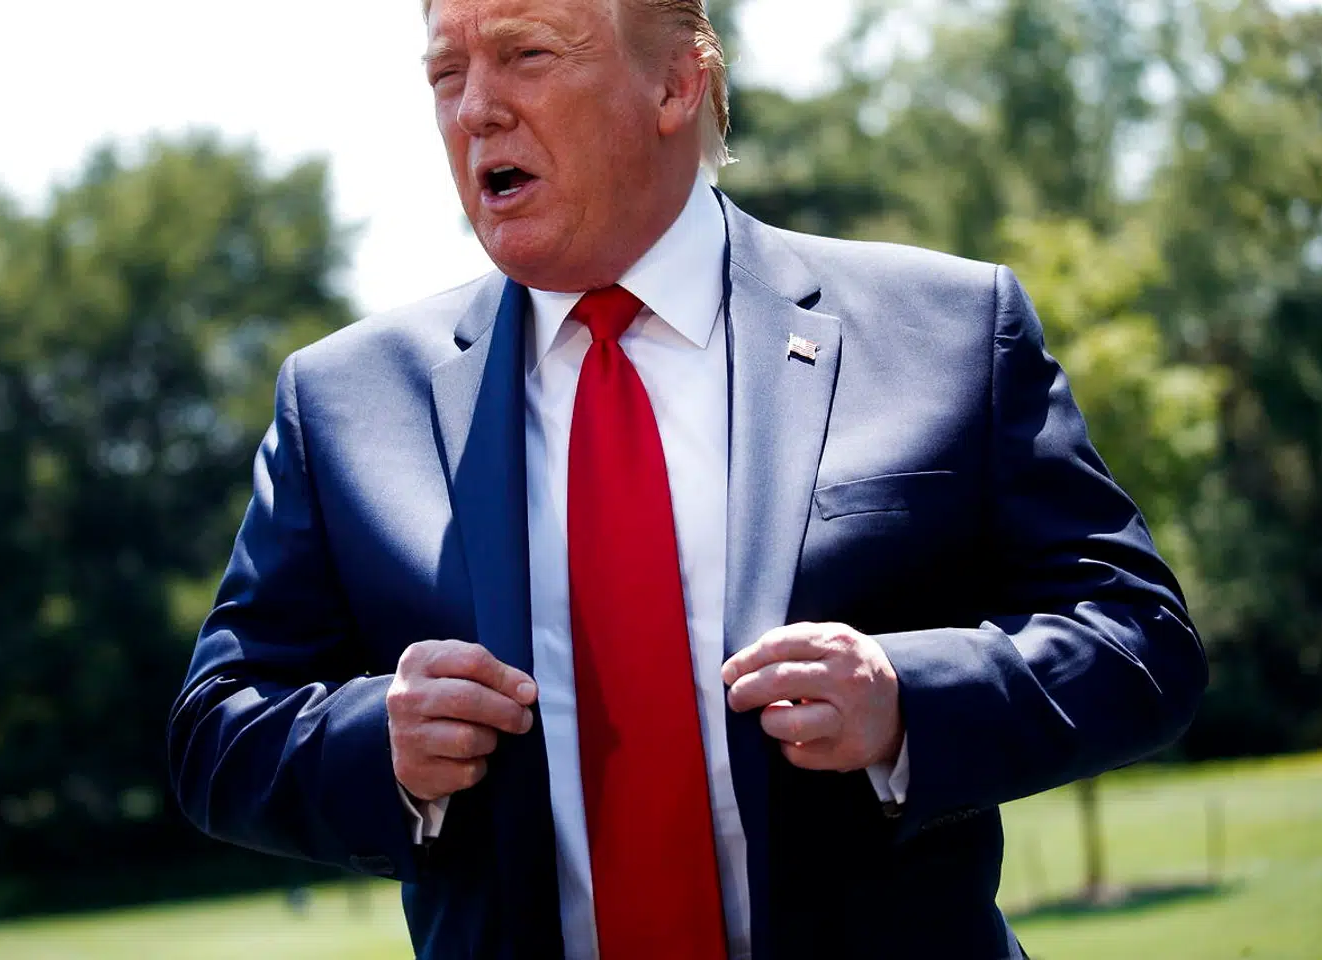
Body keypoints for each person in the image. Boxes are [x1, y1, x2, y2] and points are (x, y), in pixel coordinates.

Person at [167, 0, 1208, 957]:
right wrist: (374, 741)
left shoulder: (944, 328)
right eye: (448, 72)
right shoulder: (344, 402)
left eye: (526, 53)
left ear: (677, 84)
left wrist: (907, 706)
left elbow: (1140, 641)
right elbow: (218, 729)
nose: (477, 107)